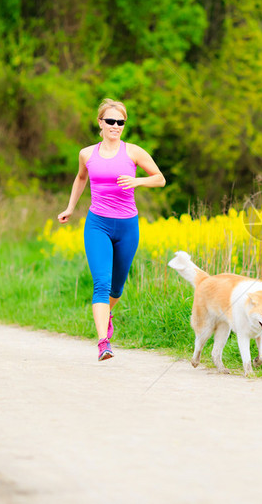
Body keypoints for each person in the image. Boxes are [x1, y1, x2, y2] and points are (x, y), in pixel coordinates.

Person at [57, 99, 166, 361]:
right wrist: (71, 207)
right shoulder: (86, 154)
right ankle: (102, 343)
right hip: (98, 224)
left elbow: (160, 179)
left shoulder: (133, 152)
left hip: (128, 225)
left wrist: (137, 180)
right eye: (111, 121)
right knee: (101, 284)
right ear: (100, 123)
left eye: (121, 122)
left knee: (116, 288)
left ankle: (107, 317)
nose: (116, 126)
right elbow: (81, 177)